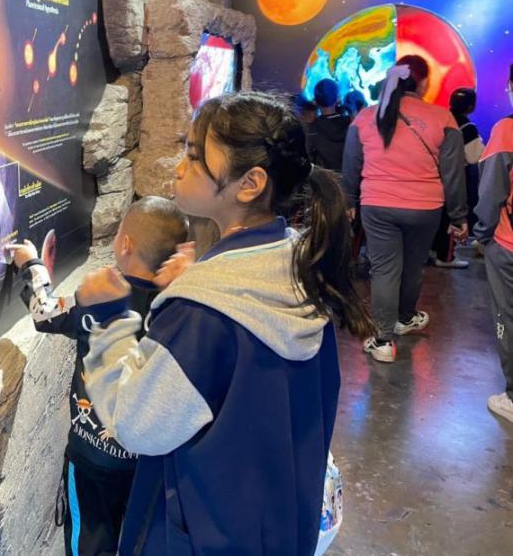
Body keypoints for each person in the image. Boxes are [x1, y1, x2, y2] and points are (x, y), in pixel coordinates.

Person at [75, 91, 371, 554]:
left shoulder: (204, 314)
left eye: (195, 156)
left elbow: (135, 424)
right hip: (270, 525)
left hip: (201, 534)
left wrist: (109, 322)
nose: (180, 168)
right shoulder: (295, 266)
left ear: (249, 183)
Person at [7, 197, 188, 556]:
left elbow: (46, 314)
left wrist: (32, 265)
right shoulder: (177, 309)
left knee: (88, 541)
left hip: (92, 459)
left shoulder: (100, 298)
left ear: (126, 244)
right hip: (146, 463)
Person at [343, 55, 468, 362]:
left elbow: (351, 164)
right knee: (413, 266)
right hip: (426, 207)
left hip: (377, 204)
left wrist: (348, 201)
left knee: (384, 270)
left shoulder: (365, 117)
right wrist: (459, 217)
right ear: (423, 82)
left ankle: (383, 340)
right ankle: (405, 317)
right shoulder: (443, 118)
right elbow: (454, 174)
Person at [474, 64, 513, 424]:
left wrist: (482, 233)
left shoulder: (506, 130)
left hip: (508, 244)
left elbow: (490, 193)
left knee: (508, 315)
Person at [432, 87, 485, 268]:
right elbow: (474, 156)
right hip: (455, 175)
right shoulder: (467, 127)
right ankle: (446, 256)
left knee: (437, 214)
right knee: (452, 214)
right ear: (471, 106)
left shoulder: (440, 119)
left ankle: (431, 250)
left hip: (432, 173)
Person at [307, 78, 351, 172]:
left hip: (326, 180)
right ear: (338, 98)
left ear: (315, 101)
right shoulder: (351, 125)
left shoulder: (311, 130)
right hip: (350, 178)